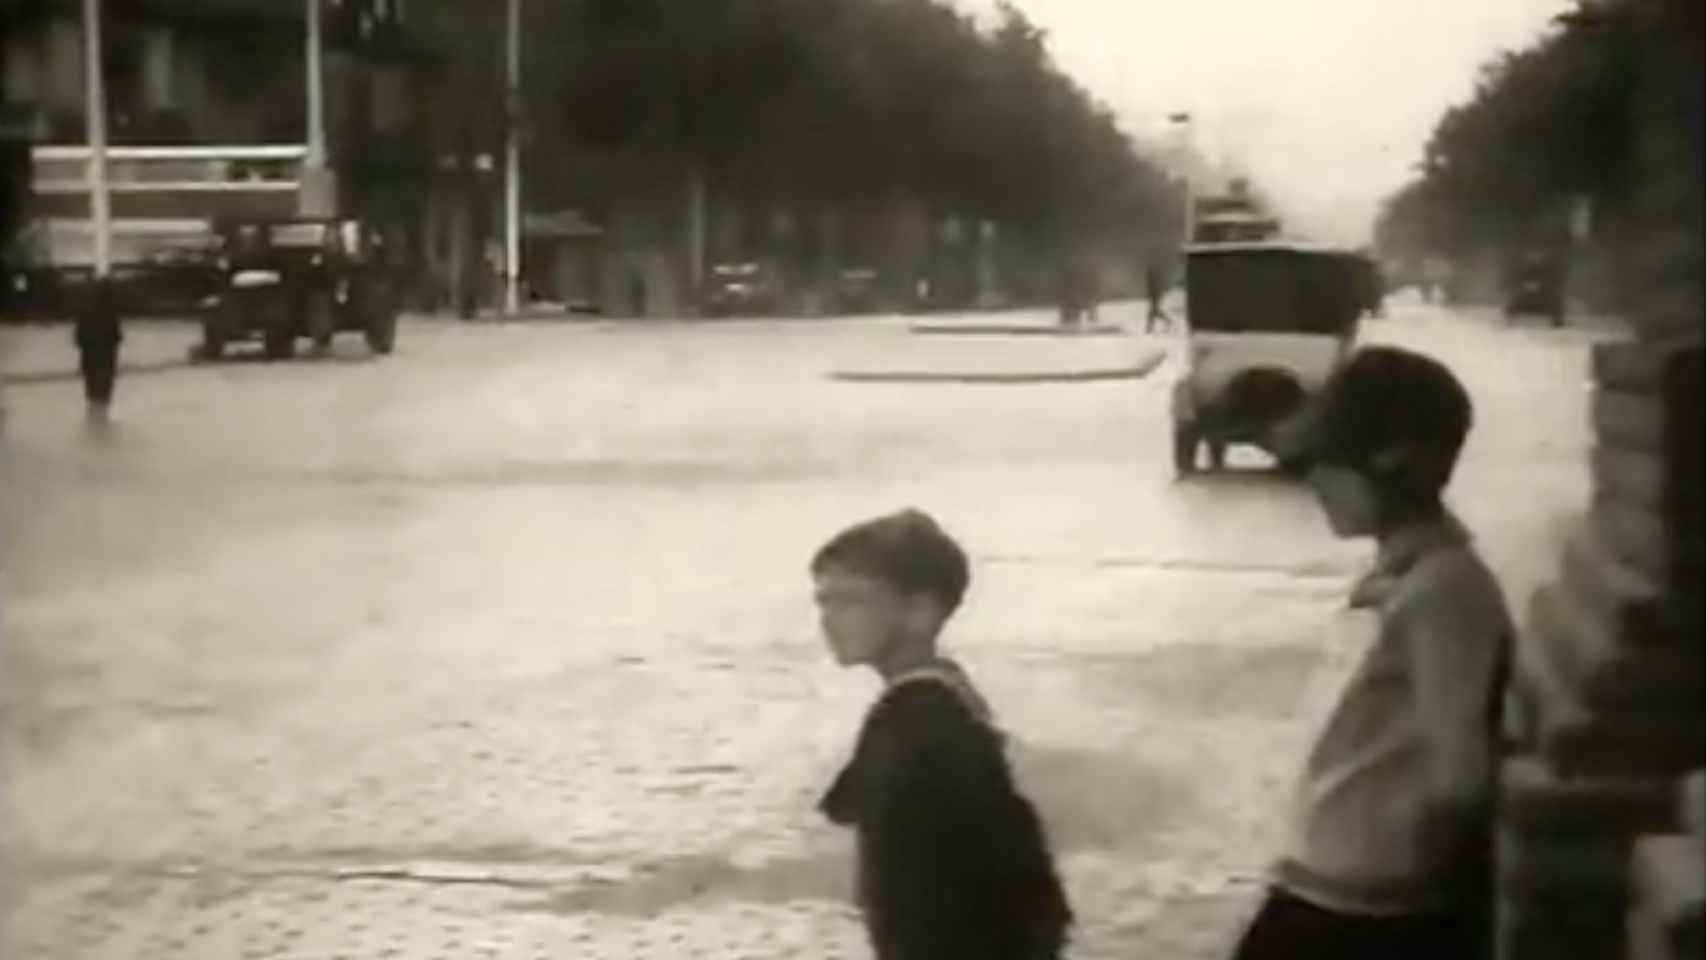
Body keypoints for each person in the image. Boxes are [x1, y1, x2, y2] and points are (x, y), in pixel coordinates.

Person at [1238, 346, 1513, 960]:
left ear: (1392, 463)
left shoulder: (1445, 591)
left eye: (1329, 462)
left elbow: (1459, 778)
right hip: (1335, 886)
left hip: (1369, 909)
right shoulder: (1409, 576)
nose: (1313, 480)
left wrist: (1401, 864)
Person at [812, 509, 1073, 960]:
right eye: (824, 601)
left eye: (852, 600)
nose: (829, 619)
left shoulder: (921, 724)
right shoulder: (937, 703)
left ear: (921, 611)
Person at [75, 274, 122, 422]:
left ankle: (94, 417)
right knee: (104, 388)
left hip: (90, 354)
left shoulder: (86, 307)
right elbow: (117, 336)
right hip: (105, 355)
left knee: (92, 387)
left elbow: (79, 335)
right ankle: (101, 418)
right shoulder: (110, 309)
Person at [1145, 260, 1172, 333]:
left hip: (1155, 296)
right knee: (1154, 311)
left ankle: (1150, 328)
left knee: (1153, 311)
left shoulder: (1152, 279)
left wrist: (1153, 295)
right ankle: (1150, 327)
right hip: (1155, 296)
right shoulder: (1152, 279)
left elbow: (1154, 289)